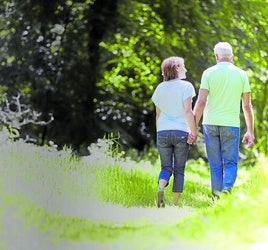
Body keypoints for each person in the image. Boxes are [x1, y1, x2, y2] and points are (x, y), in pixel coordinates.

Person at [193, 42, 254, 199]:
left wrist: (192, 126)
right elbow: (247, 106)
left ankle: (216, 197)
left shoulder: (208, 73)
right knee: (231, 163)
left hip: (210, 123)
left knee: (215, 164)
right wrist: (250, 131)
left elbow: (200, 102)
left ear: (216, 56)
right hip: (231, 125)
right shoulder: (241, 74)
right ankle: (226, 189)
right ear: (232, 57)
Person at [151, 56, 197, 208]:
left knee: (165, 167)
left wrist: (159, 134)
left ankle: (160, 188)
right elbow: (188, 112)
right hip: (180, 132)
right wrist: (193, 131)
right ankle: (175, 204)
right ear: (177, 69)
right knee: (179, 169)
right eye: (183, 66)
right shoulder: (186, 86)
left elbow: (158, 114)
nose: (186, 69)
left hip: (162, 131)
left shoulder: (160, 88)